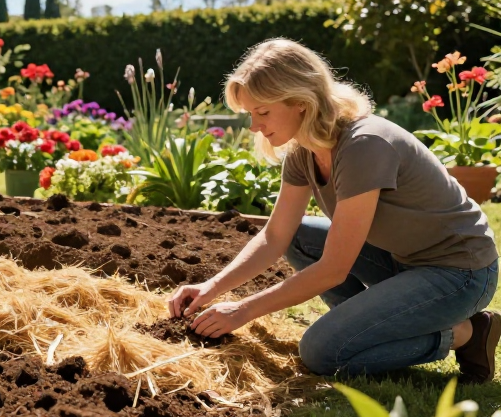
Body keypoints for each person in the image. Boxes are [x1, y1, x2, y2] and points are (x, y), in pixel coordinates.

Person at [167, 39, 500, 383]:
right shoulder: (303, 151)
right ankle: (363, 327)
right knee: (300, 237)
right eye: (251, 114)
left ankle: (470, 333)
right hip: (404, 261)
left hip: (460, 272)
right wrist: (212, 287)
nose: (254, 126)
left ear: (300, 101)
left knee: (322, 353)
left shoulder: (364, 144)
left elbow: (333, 270)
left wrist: (243, 310)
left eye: (262, 112)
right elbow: (276, 235)